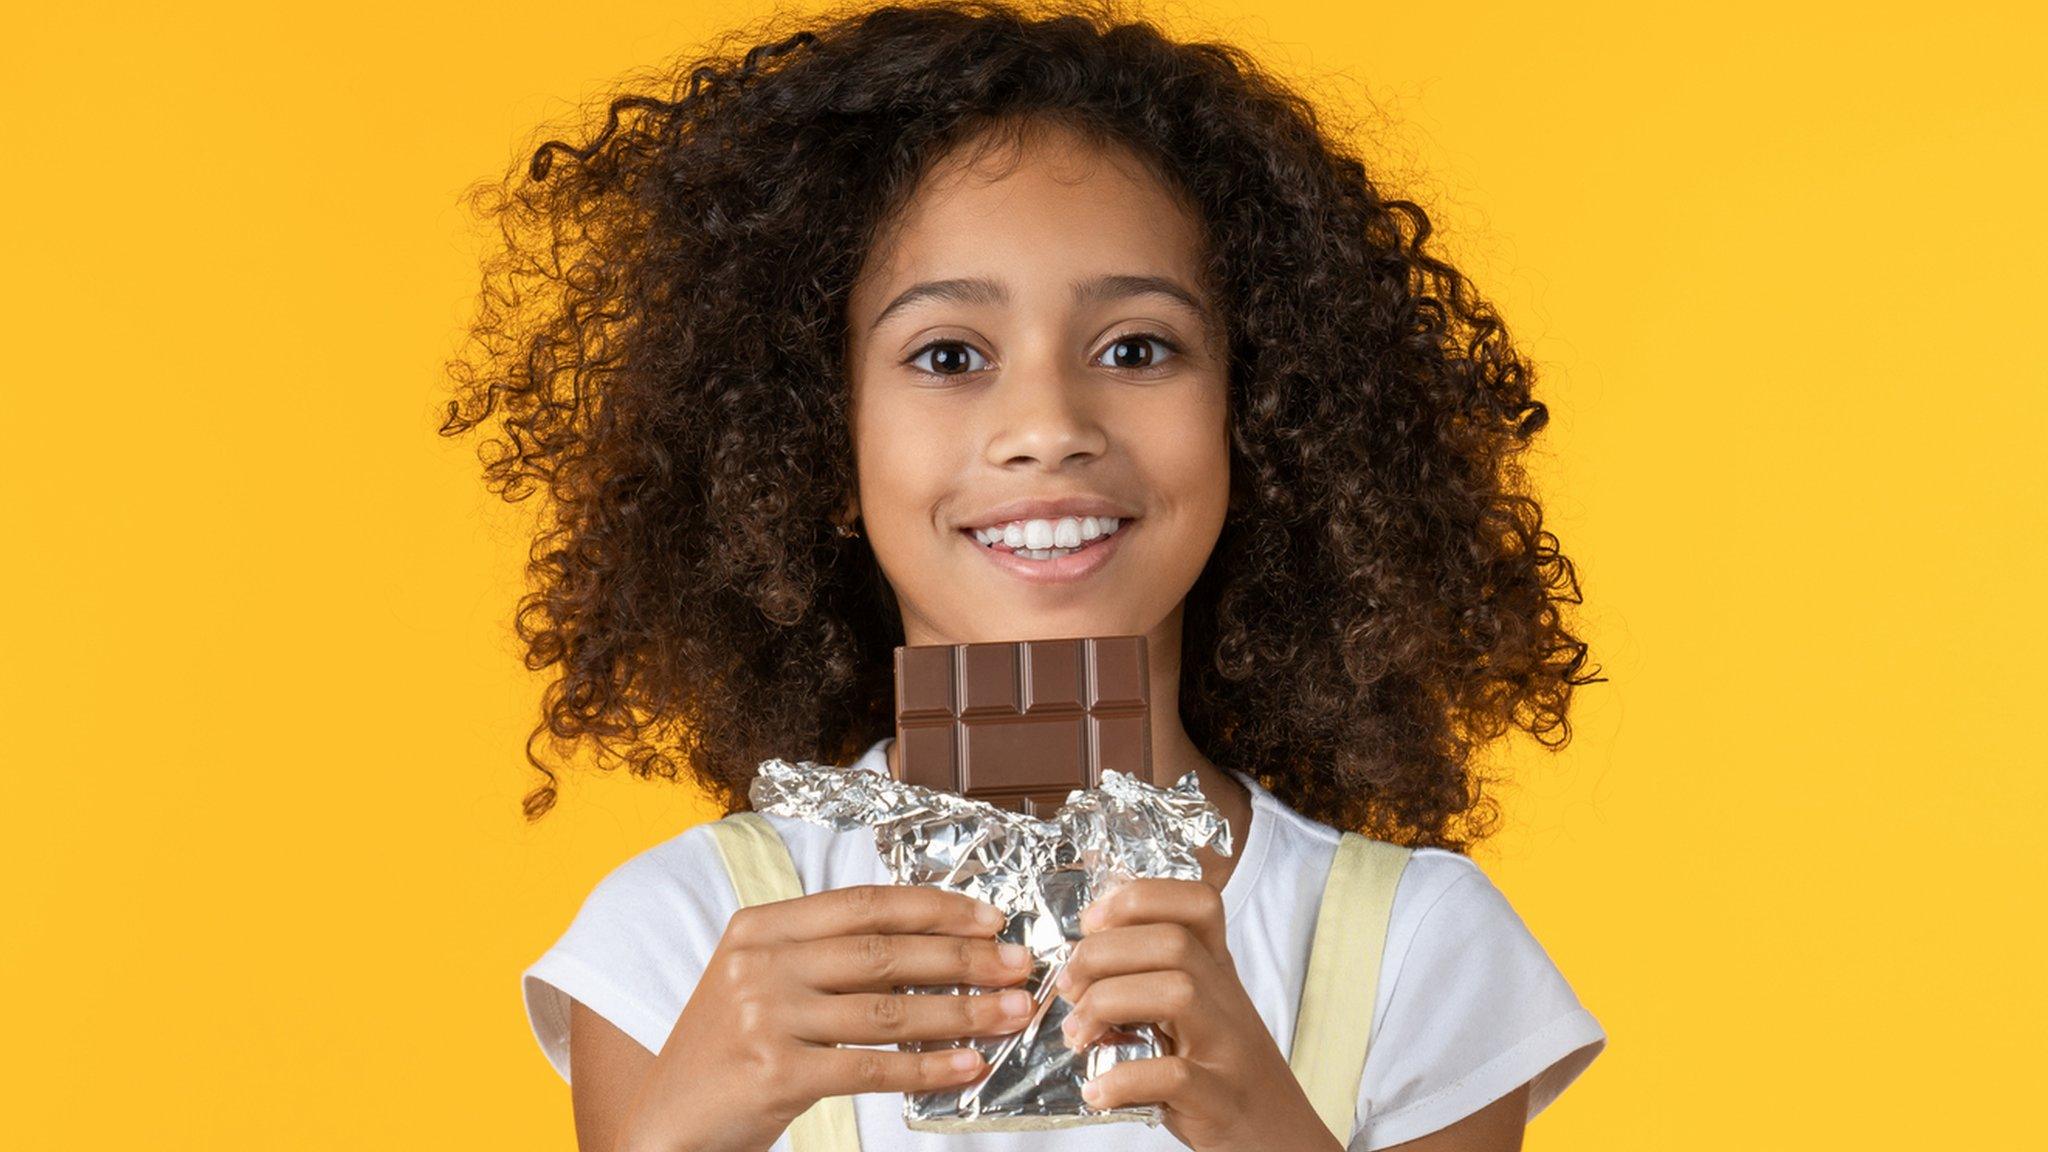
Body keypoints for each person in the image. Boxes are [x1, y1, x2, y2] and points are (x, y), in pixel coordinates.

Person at [440, 2, 1609, 1149]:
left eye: (1136, 348)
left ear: (1257, 419)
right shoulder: (682, 938)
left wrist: (1264, 1128)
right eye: (948, 355)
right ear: (812, 440)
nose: (1046, 425)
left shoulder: (1412, 945)